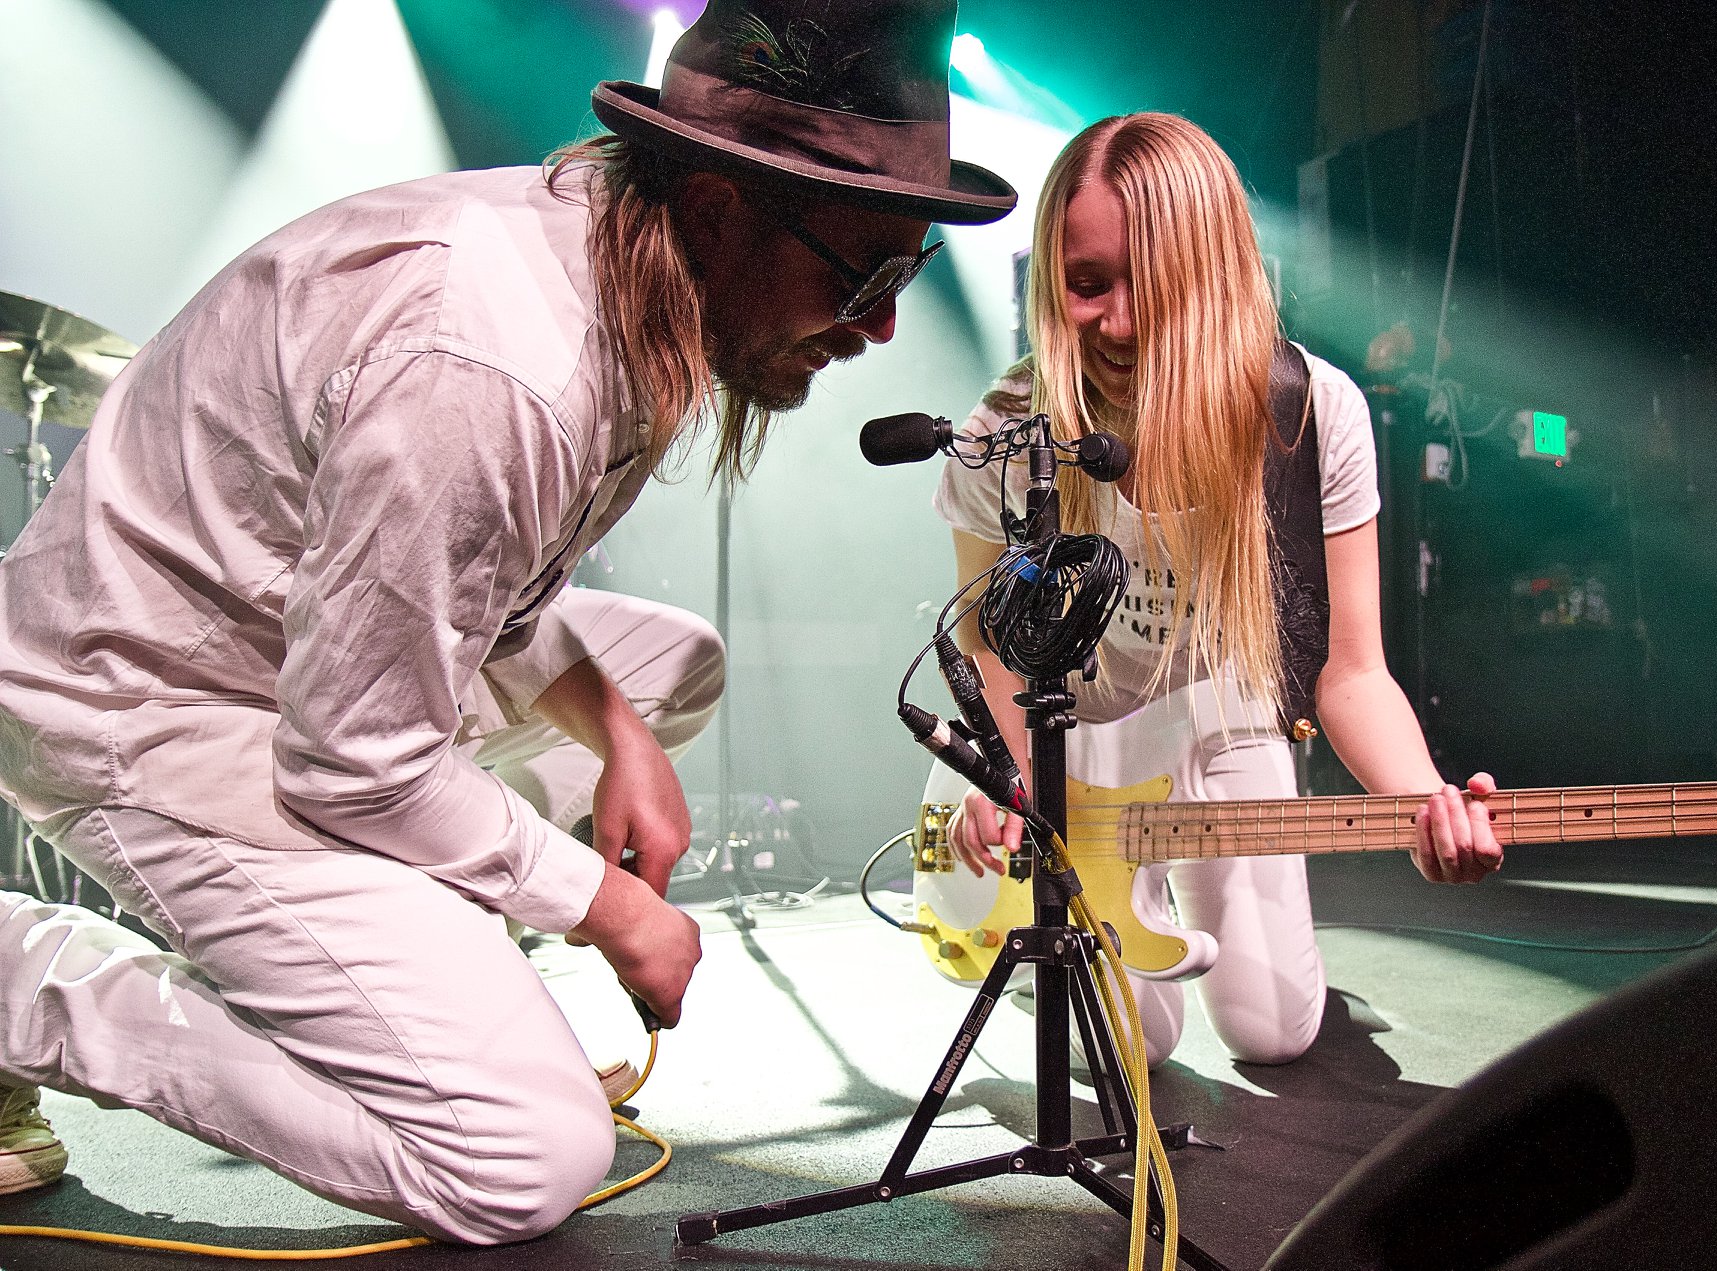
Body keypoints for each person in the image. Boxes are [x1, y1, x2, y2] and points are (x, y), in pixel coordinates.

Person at [0, 0, 1013, 1243]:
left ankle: (386, 937)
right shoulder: (497, 367)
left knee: (667, 671)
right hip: (149, 705)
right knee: (519, 1158)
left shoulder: (614, 272)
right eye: (865, 270)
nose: (882, 323)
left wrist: (621, 735)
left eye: (906, 273)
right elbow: (350, 755)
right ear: (715, 210)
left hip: (293, 667)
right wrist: (607, 903)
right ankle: (26, 985)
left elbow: (492, 596)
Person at [936, 112, 1499, 1068]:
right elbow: (990, 646)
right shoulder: (1006, 426)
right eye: (1084, 283)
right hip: (1070, 726)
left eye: (1148, 288)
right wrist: (998, 775)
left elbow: (1353, 672)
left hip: (1226, 711)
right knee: (1129, 1049)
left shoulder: (1313, 412)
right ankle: (1088, 938)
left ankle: (1207, 939)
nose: (1113, 322)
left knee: (1273, 1034)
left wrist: (1423, 806)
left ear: (1213, 278)